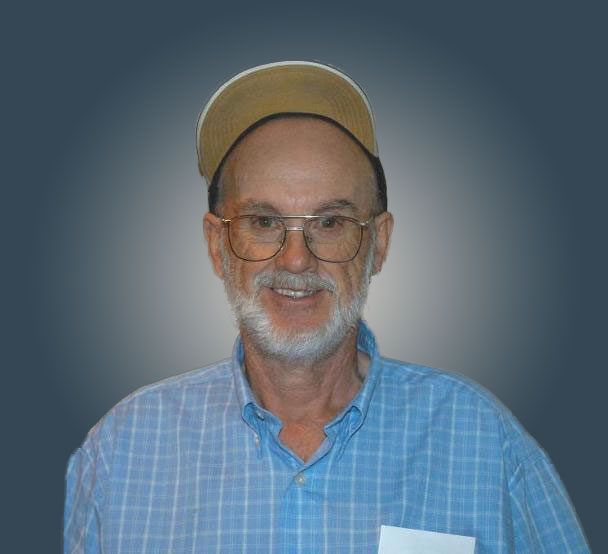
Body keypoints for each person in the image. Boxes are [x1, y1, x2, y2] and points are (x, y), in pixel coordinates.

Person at [64, 61, 590, 553]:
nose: (296, 259)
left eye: (331, 223)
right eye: (264, 222)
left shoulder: (480, 440)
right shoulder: (122, 451)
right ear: (216, 245)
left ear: (378, 244)